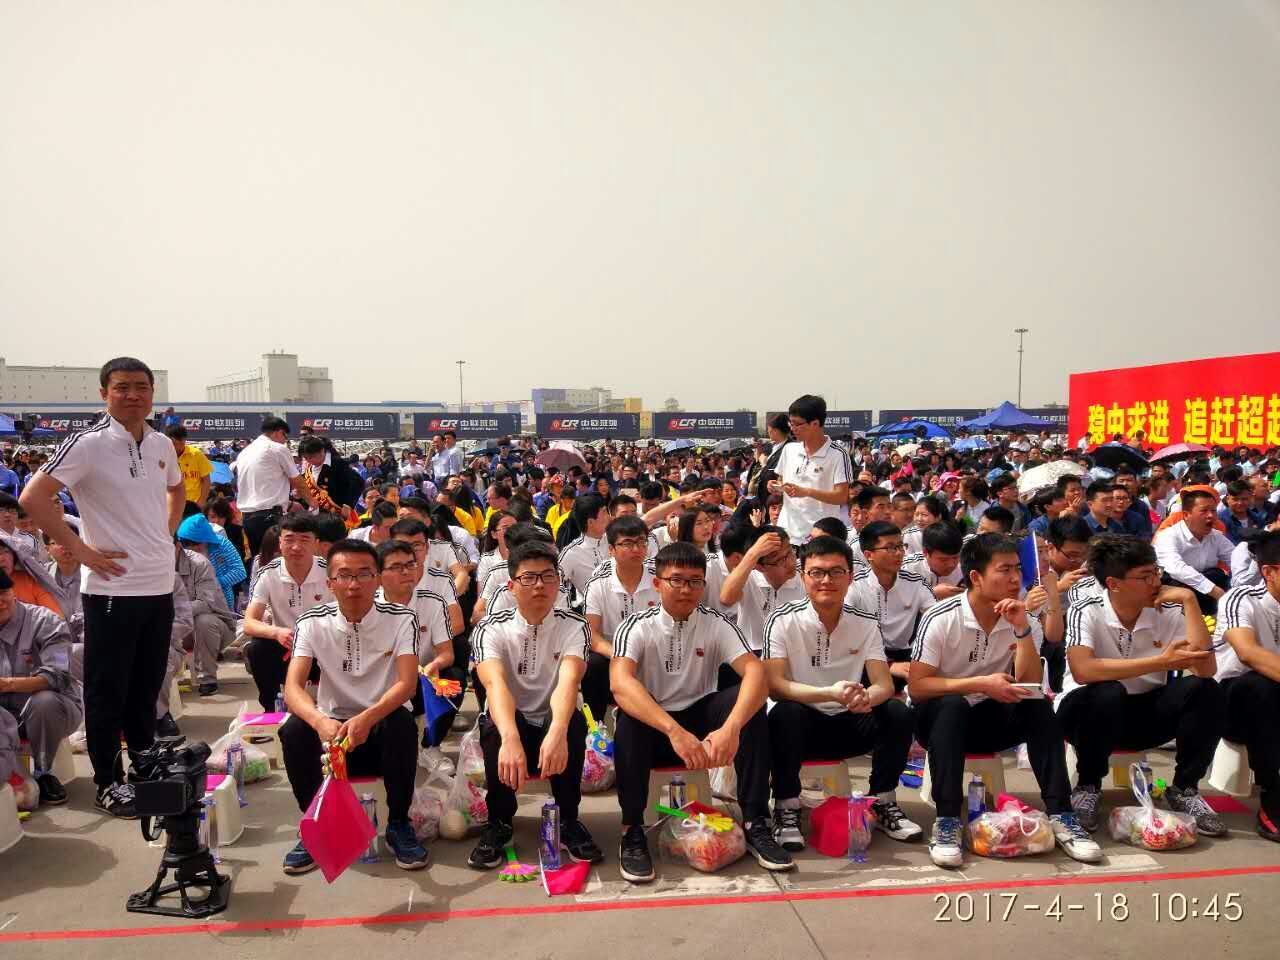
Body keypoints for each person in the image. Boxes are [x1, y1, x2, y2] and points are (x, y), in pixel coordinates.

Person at [20, 357, 185, 818]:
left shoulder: (161, 444)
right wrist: (79, 548)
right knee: (107, 689)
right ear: (104, 393)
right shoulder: (88, 444)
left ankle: (144, 763)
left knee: (147, 683)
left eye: (141, 387)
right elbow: (33, 496)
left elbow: (176, 489)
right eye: (122, 387)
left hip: (158, 583)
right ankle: (108, 781)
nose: (133, 395)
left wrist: (166, 532)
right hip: (112, 589)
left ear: (152, 393)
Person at [908, 533, 1101, 868]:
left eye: (1017, 569)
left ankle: (1061, 813)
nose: (1015, 578)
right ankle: (948, 819)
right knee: (952, 705)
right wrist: (980, 684)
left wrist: (1022, 629)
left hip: (991, 719)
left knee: (1037, 705)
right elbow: (917, 687)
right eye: (1004, 570)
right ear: (976, 577)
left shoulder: (1022, 615)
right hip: (939, 722)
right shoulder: (941, 617)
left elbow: (1028, 682)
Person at [610, 542, 793, 882]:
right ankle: (632, 828)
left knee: (748, 703)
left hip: (702, 721)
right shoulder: (636, 625)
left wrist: (731, 728)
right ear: (657, 583)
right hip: (657, 726)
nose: (686, 589)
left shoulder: (715, 623)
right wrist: (673, 731)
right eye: (677, 580)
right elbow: (620, 683)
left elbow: (755, 672)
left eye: (695, 581)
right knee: (629, 717)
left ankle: (755, 820)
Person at [1056, 535, 1225, 836]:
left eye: (1156, 572)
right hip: (1087, 716)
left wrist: (1189, 601)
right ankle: (1087, 786)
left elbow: (1206, 668)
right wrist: (1160, 662)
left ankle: (1185, 788)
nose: (1156, 582)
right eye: (1145, 576)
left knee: (1205, 689)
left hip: (1144, 714)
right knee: (1108, 692)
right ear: (1114, 583)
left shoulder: (1168, 609)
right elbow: (1083, 670)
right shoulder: (1087, 609)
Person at [278, 539, 429, 874]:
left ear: (377, 579)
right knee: (294, 729)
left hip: (380, 727)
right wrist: (319, 721)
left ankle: (399, 823)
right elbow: (293, 688)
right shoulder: (311, 622)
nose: (354, 584)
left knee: (401, 723)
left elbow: (407, 684)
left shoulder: (401, 619)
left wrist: (367, 718)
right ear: (329, 582)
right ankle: (315, 824)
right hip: (332, 733)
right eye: (344, 575)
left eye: (364, 574)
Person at [763, 537, 921, 851]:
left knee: (897, 712)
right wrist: (828, 693)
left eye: (836, 572)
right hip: (802, 726)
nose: (827, 580)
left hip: (849, 721)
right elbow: (776, 686)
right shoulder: (781, 620)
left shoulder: (865, 623)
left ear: (850, 577)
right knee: (784, 712)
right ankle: (786, 805)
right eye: (817, 572)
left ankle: (882, 799)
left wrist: (865, 698)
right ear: (803, 576)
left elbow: (883, 684)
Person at [467, 540, 603, 870]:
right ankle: (499, 822)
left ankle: (568, 819)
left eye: (547, 576)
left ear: (559, 582)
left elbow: (568, 682)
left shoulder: (575, 626)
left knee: (571, 722)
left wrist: (556, 731)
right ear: (511, 586)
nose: (539, 585)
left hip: (551, 724)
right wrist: (511, 738)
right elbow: (494, 685)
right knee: (496, 725)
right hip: (511, 725)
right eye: (528, 578)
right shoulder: (491, 628)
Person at [1213, 530, 1280, 840]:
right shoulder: (1241, 599)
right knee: (1259, 685)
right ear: (1269, 572)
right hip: (1233, 704)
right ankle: (1272, 795)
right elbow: (1248, 653)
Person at [375, 539, 460, 774]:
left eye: (410, 565)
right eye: (395, 567)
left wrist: (435, 664)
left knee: (453, 679)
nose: (405, 572)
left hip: (423, 676)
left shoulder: (433, 602)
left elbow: (447, 653)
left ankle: (430, 746)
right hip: (383, 680)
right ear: (378, 575)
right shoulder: (370, 605)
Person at [0, 572, 81, 806]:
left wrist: (7, 684)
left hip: (53, 709)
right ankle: (12, 777)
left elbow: (57, 675)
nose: (0, 601)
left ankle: (44, 771)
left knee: (44, 702)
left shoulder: (45, 621)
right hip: (4, 717)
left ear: (14, 593)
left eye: (3, 593)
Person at [242, 514, 334, 711]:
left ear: (316, 544)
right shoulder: (268, 573)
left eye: (304, 540)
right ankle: (271, 708)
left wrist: (311, 638)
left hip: (323, 645)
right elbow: (249, 622)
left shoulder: (330, 572)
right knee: (257, 648)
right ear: (280, 543)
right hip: (285, 644)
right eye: (289, 539)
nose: (296, 547)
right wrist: (276, 632)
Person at [582, 515, 660, 718]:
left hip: (654, 655)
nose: (636, 549)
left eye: (641, 542)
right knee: (591, 664)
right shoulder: (598, 584)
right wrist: (619, 654)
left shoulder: (660, 579)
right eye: (627, 543)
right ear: (611, 549)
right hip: (614, 656)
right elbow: (592, 634)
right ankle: (596, 725)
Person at [846, 521, 935, 689]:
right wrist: (888, 665)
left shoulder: (916, 583)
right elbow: (845, 631)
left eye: (901, 546)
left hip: (906, 655)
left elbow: (936, 618)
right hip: (866, 656)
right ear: (869, 554)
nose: (899, 553)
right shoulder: (855, 585)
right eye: (890, 548)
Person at [772, 395, 852, 543]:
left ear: (815, 423)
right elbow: (781, 481)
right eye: (791, 423)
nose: (792, 429)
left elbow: (841, 496)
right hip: (788, 534)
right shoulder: (789, 449)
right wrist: (776, 487)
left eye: (797, 424)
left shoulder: (838, 454)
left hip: (819, 536)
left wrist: (807, 492)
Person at [718, 525, 806, 654]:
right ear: (760, 567)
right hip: (752, 651)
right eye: (780, 560)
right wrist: (753, 553)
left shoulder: (805, 579)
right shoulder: (749, 578)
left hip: (792, 652)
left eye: (790, 552)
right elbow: (726, 599)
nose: (791, 562)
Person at [233, 417, 308, 556]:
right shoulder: (277, 449)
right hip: (270, 519)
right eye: (285, 436)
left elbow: (261, 487)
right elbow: (297, 481)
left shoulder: (245, 452)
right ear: (278, 432)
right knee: (277, 562)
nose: (285, 441)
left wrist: (289, 503)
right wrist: (313, 503)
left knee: (259, 561)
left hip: (249, 518)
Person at [1154, 489, 1235, 613]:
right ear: (1186, 515)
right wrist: (1214, 590)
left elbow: (1236, 559)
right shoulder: (1167, 536)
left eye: (1213, 511)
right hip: (1177, 598)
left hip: (1209, 596)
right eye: (1204, 511)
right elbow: (1176, 568)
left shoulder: (1216, 536)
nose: (1211, 515)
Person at [173, 537, 236, 697]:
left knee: (204, 621)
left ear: (178, 546)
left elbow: (205, 603)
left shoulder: (200, 564)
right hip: (175, 627)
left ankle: (208, 679)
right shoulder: (152, 565)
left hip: (213, 628)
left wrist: (170, 612)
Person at [557, 493, 610, 600]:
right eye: (604, 512)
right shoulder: (572, 552)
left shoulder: (614, 539)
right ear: (590, 522)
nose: (609, 516)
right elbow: (555, 584)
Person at [901, 522, 965, 599]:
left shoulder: (964, 570)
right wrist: (932, 593)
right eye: (943, 559)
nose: (951, 564)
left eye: (955, 557)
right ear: (925, 553)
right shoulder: (906, 568)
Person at [165, 425, 213, 509]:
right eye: (172, 443)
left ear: (184, 440)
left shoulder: (196, 454)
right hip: (171, 504)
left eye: (182, 441)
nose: (173, 446)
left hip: (193, 504)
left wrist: (201, 501)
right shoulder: (163, 456)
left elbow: (206, 480)